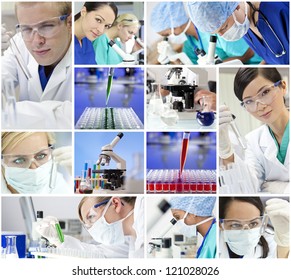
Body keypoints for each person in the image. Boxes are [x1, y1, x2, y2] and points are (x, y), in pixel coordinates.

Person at [1, 2, 72, 129]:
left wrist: (10, 113)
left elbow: (73, 117)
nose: (37, 41)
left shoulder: (84, 59)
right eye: (26, 29)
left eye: (47, 26)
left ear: (70, 23)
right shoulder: (18, 43)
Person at [219, 68, 289, 193]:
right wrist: (226, 152)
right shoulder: (253, 140)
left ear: (283, 87)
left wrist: (281, 188)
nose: (260, 106)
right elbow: (246, 189)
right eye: (249, 101)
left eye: (265, 92)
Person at [150, 2, 262, 65]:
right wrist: (174, 57)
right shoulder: (190, 44)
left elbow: (248, 53)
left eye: (167, 34)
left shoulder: (216, 27)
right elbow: (193, 69)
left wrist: (218, 65)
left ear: (174, 22)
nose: (169, 37)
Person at [36, 196, 144, 258]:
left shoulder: (144, 211)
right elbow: (101, 255)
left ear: (115, 204)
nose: (92, 229)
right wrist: (59, 240)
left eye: (91, 216)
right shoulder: (131, 237)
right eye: (87, 225)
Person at [187, 1, 289, 64]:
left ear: (236, 6)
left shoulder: (279, 10)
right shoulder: (245, 27)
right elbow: (271, 57)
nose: (222, 36)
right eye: (217, 33)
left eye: (224, 27)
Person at [1, 132, 72, 194]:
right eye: (19, 160)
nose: (34, 170)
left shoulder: (56, 182)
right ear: (2, 162)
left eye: (41, 156)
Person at [219, 197, 289, 258]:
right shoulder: (212, 243)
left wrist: (284, 244)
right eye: (236, 225)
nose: (246, 234)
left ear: (261, 222)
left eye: (253, 223)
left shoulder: (271, 242)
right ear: (220, 225)